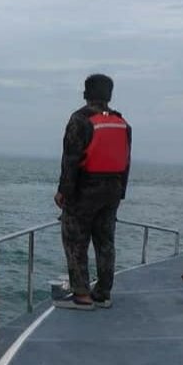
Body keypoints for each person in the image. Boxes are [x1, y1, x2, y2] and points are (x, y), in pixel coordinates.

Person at [53, 74, 131, 310]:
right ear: (109, 95)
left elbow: (71, 159)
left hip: (85, 189)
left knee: (75, 241)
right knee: (105, 242)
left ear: (86, 94)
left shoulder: (80, 120)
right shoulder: (122, 123)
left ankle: (82, 295)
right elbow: (126, 162)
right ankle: (103, 293)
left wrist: (63, 192)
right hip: (113, 190)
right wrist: (121, 193)